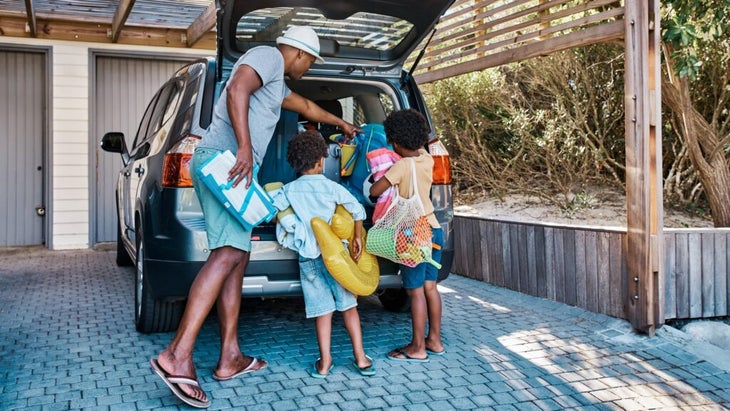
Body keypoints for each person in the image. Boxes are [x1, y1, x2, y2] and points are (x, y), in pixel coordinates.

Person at [150, 26, 360, 409]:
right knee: (227, 254)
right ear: (298, 52)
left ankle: (230, 356)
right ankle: (178, 355)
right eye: (310, 60)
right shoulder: (267, 57)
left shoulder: (277, 82)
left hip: (227, 165)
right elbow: (236, 90)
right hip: (225, 162)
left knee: (237, 255)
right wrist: (245, 148)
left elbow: (307, 108)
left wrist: (342, 124)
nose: (309, 67)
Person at [278, 130, 375, 378]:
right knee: (349, 307)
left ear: (294, 163)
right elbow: (357, 211)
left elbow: (276, 210)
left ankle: (325, 362)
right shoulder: (332, 188)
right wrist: (355, 236)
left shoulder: (289, 190)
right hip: (338, 259)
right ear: (322, 161)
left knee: (322, 311)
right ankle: (361, 358)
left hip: (309, 258)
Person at [369, 109, 445, 363]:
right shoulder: (426, 159)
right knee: (430, 287)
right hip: (434, 229)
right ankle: (434, 340)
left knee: (414, 292)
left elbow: (375, 190)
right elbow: (420, 149)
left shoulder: (401, 166)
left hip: (413, 235)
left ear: (397, 143)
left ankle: (416, 347)